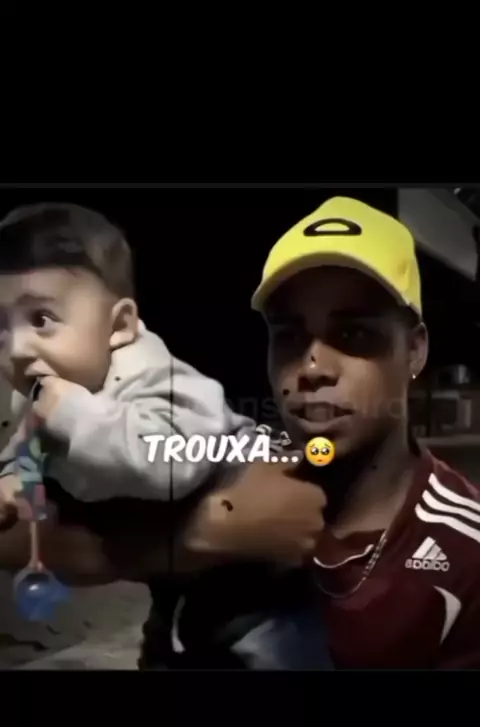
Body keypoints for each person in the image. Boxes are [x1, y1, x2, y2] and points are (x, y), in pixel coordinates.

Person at [144, 196, 480, 669]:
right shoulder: (223, 474)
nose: (314, 367)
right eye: (290, 336)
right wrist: (196, 539)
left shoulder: (466, 552)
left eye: (352, 334)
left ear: (414, 351)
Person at [0, 201, 255, 511]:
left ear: (119, 325)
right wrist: (13, 478)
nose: (16, 349)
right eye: (1, 327)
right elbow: (27, 449)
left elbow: (174, 465)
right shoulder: (41, 391)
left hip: (250, 497)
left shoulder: (150, 374)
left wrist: (72, 415)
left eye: (41, 319)